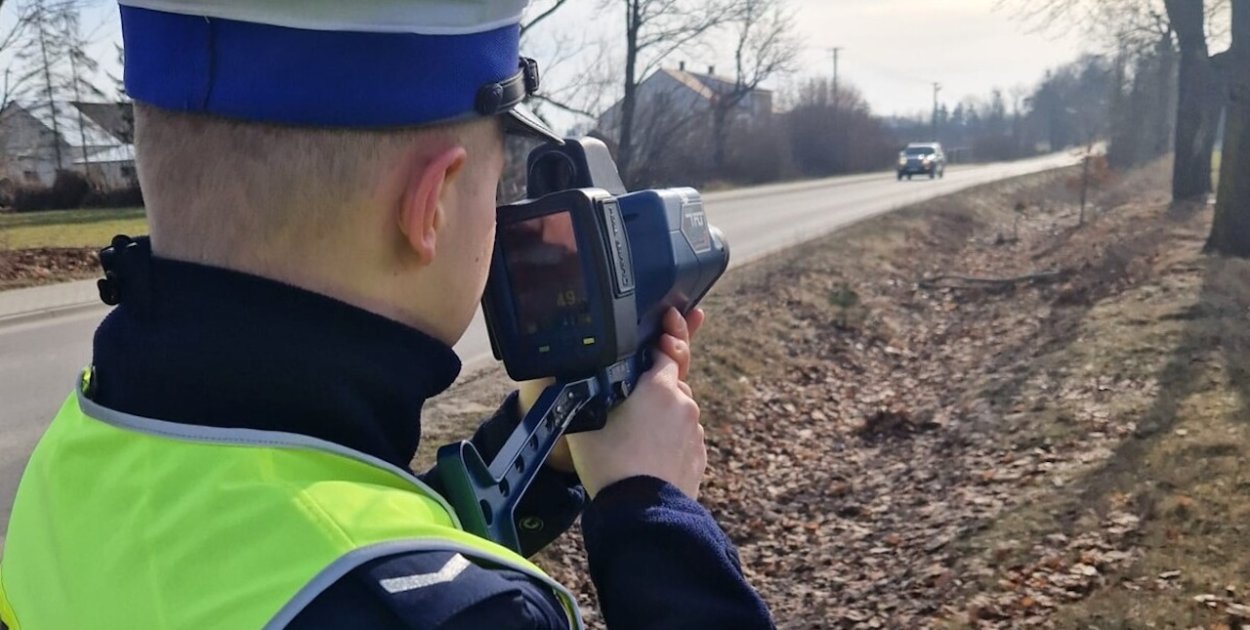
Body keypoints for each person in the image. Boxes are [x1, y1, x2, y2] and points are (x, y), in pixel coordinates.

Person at [0, 1, 773, 628]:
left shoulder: (81, 454)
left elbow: (310, 544)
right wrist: (652, 513)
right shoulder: (468, 617)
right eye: (496, 184)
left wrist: (539, 454)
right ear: (430, 204)